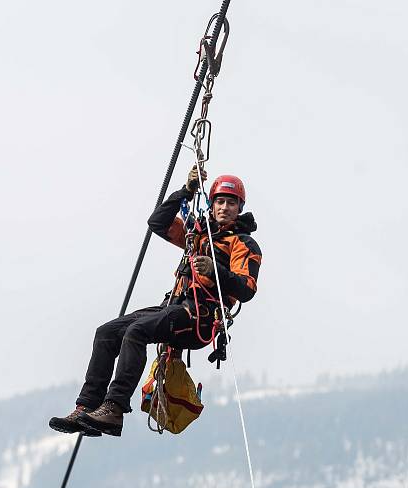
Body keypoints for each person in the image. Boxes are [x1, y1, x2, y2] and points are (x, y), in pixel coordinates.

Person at [49, 166, 262, 437]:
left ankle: (114, 408)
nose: (224, 207)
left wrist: (214, 269)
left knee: (137, 332)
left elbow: (247, 288)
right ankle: (86, 407)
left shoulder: (242, 243)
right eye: (219, 201)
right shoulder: (197, 235)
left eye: (231, 203)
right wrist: (186, 191)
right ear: (211, 203)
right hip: (174, 306)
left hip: (201, 315)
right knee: (106, 333)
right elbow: (158, 223)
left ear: (239, 207)